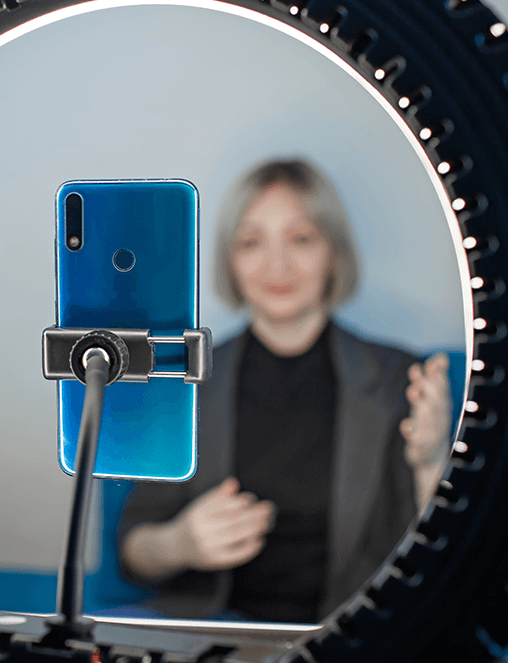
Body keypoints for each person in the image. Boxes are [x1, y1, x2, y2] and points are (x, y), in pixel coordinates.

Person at [117, 158, 453, 624]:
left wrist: (432, 461)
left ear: (333, 252)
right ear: (230, 261)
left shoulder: (400, 377)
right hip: (216, 633)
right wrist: (180, 543)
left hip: (349, 638)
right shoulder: (185, 378)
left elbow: (440, 560)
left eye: (301, 239)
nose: (278, 265)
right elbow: (132, 553)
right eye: (252, 242)